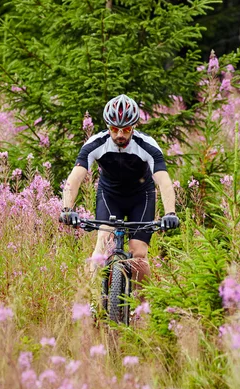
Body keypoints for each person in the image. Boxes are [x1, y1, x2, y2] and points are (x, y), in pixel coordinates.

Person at [60, 94, 180, 283]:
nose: (120, 135)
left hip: (141, 197)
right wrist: (67, 209)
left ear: (134, 127)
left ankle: (142, 309)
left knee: (138, 254)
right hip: (110, 196)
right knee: (102, 245)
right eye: (115, 129)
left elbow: (164, 181)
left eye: (126, 129)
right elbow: (75, 178)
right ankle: (92, 302)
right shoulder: (96, 144)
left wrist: (170, 213)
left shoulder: (147, 146)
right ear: (109, 127)